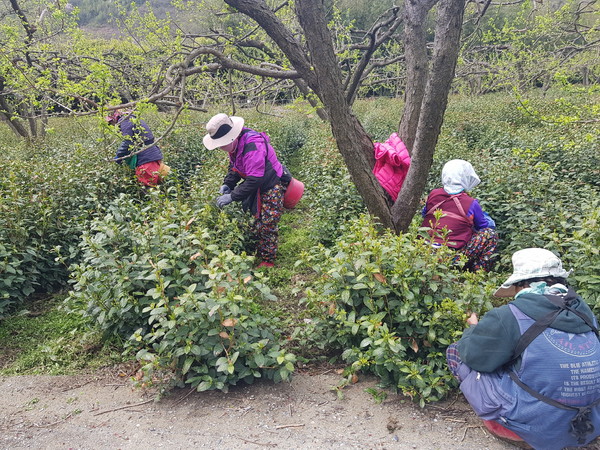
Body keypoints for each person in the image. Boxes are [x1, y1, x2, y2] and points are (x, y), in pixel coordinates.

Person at [446, 248, 600, 449]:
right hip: (590, 423)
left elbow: (474, 357)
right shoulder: (585, 312)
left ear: (521, 284)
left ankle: (511, 430)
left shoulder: (508, 316)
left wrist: (472, 329)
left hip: (540, 426)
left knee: (456, 352)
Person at [203, 113, 289, 268]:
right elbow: (235, 167)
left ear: (232, 137)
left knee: (268, 222)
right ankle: (259, 248)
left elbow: (255, 179)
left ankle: (268, 260)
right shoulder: (235, 146)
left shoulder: (252, 146)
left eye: (222, 144)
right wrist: (228, 183)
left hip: (271, 184)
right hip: (258, 184)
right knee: (257, 220)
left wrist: (232, 196)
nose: (221, 148)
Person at [421, 159, 498, 272]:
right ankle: (477, 273)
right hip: (451, 256)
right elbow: (484, 226)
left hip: (424, 250)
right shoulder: (471, 203)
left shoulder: (434, 194)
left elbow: (425, 213)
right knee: (490, 234)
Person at [108, 110, 165, 187]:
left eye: (111, 123)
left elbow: (128, 141)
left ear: (114, 119)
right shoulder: (134, 118)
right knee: (158, 186)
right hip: (153, 156)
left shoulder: (125, 120)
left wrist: (119, 156)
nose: (112, 125)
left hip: (146, 160)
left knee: (148, 189)